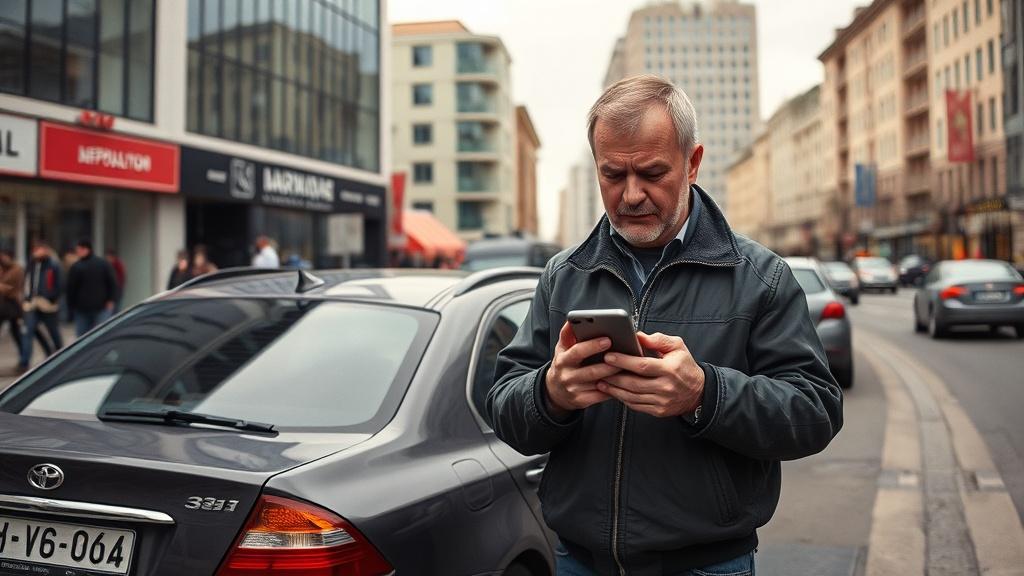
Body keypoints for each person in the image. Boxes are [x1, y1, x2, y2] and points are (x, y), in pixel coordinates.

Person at [487, 76, 843, 576]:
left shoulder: (762, 278)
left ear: (693, 163)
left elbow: (815, 413)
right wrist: (551, 392)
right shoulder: (563, 275)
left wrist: (705, 395)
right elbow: (504, 407)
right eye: (613, 174)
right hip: (577, 561)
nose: (631, 194)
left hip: (706, 565)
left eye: (652, 173)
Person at [19, 241, 64, 371]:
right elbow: (26, 281)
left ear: (46, 250)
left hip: (47, 304)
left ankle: (60, 355)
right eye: (35, 250)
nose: (37, 253)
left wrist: (52, 297)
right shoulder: (30, 264)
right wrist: (26, 298)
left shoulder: (53, 265)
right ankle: (24, 362)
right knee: (28, 331)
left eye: (40, 250)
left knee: (53, 331)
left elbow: (60, 284)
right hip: (31, 303)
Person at [66, 239, 117, 337]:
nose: (77, 252)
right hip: (84, 309)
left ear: (86, 249)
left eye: (79, 250)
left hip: (100, 308)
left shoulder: (101, 264)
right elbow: (71, 289)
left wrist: (111, 300)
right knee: (94, 336)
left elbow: (112, 283)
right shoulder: (78, 266)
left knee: (93, 336)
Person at [0, 250, 24, 358]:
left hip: (12, 304)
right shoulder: (3, 269)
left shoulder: (16, 269)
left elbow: (10, 288)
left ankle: (24, 357)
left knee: (16, 332)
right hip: (3, 303)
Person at [105, 248, 126, 312]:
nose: (107, 259)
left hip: (116, 291)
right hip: (114, 291)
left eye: (108, 257)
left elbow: (120, 279)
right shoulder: (110, 265)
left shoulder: (117, 265)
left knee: (116, 309)